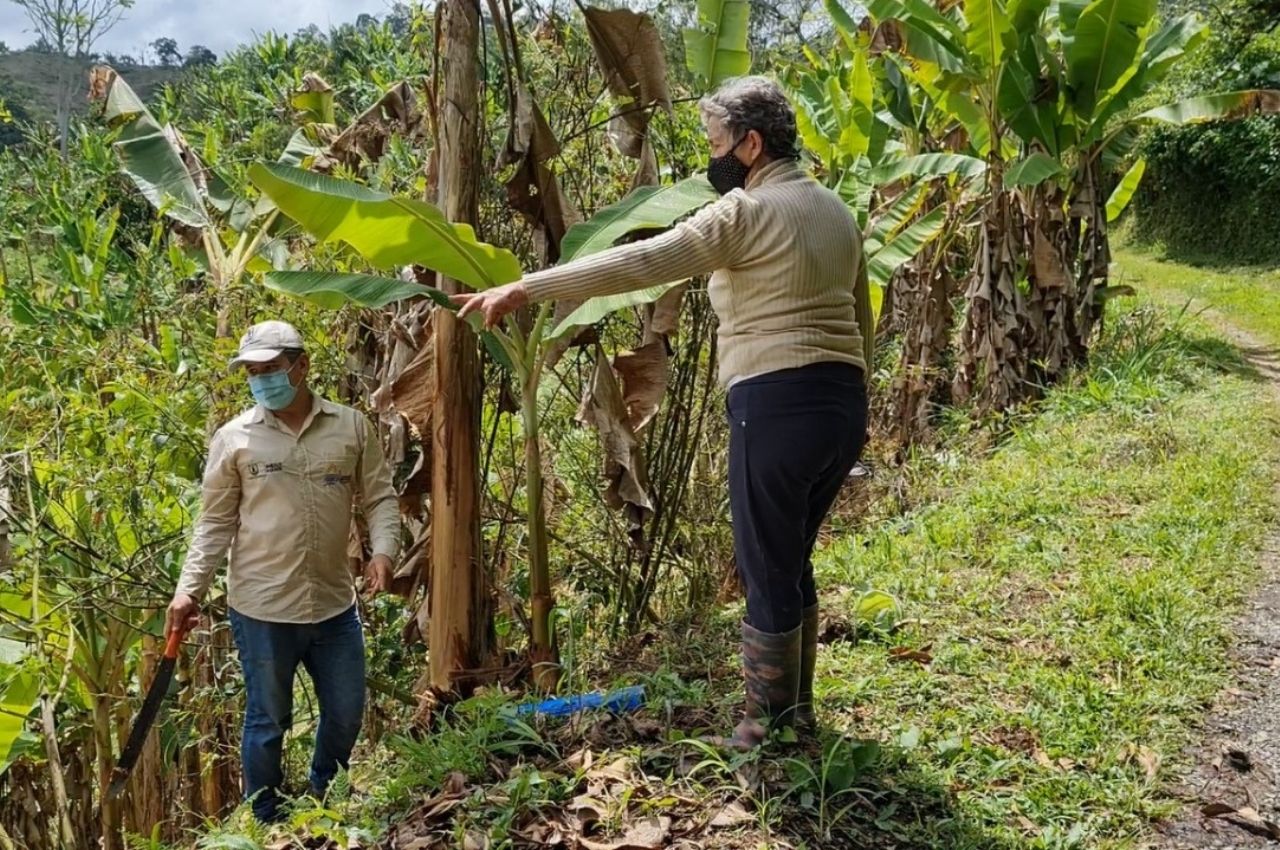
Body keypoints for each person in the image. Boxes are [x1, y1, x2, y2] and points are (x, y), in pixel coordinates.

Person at [453, 76, 874, 749]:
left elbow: (644, 261)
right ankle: (796, 718)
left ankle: (766, 734)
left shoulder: (743, 214)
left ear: (751, 143)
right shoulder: (835, 211)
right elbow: (861, 317)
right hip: (841, 409)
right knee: (789, 562)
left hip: (774, 405)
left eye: (715, 144)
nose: (710, 158)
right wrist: (861, 402)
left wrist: (529, 287)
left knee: (767, 569)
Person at [166, 320, 401, 821]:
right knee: (268, 720)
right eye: (252, 372)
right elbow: (214, 523)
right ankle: (266, 818)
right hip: (261, 606)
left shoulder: (351, 426)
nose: (261, 379)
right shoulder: (234, 438)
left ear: (301, 366)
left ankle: (323, 798)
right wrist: (189, 591)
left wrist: (383, 551)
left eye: (270, 369)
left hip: (334, 603)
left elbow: (379, 495)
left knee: (345, 711)